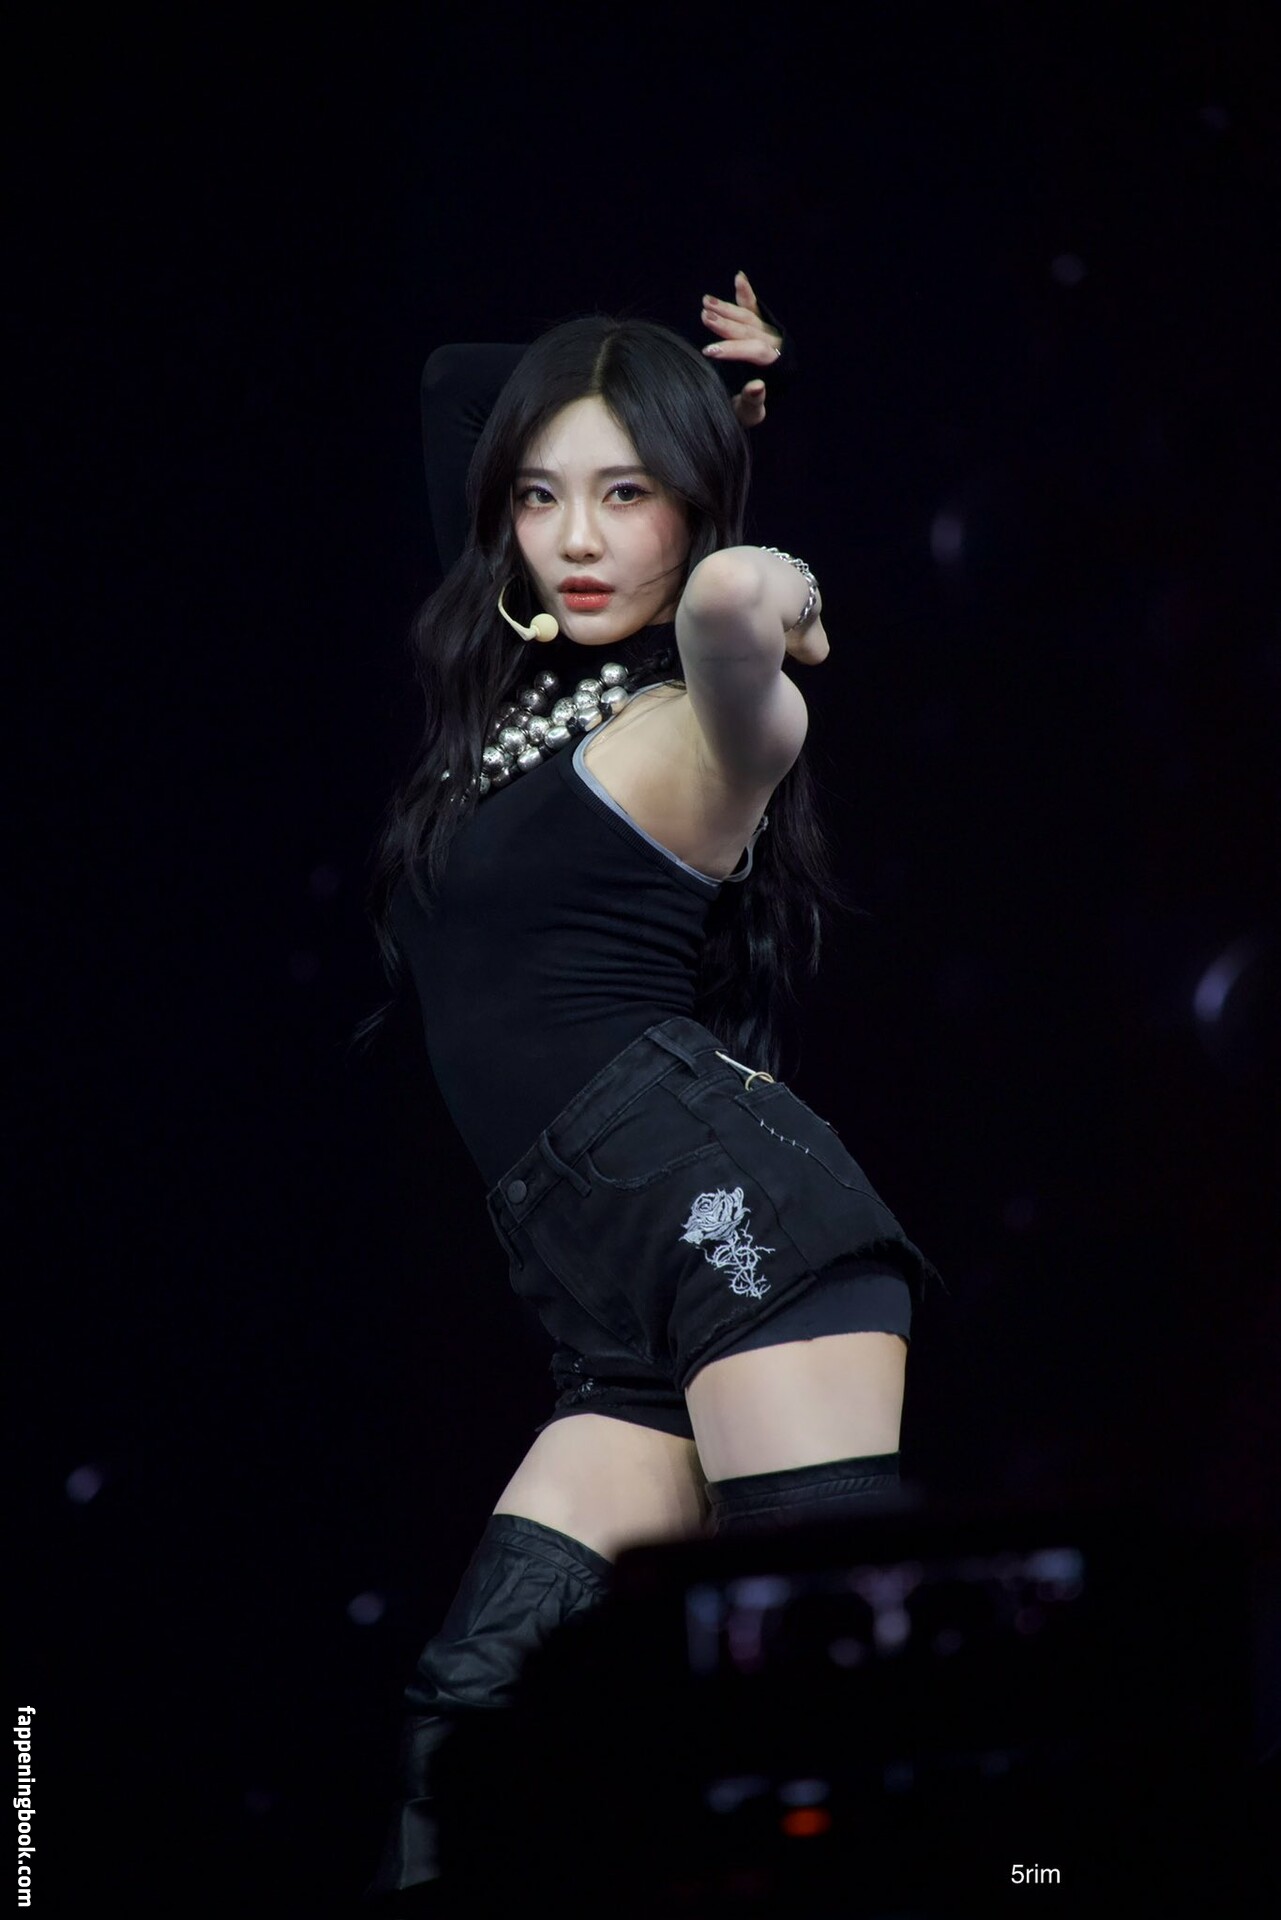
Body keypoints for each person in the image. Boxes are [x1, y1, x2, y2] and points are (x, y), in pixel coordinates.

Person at [362, 274, 945, 1905]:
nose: (574, 538)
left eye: (628, 495)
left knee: (812, 1719)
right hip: (609, 1305)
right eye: (540, 496)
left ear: (689, 512)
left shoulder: (705, 718)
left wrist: (763, 555)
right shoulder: (523, 696)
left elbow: (738, 601)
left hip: (742, 1242)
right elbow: (454, 381)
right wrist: (686, 385)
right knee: (467, 1722)